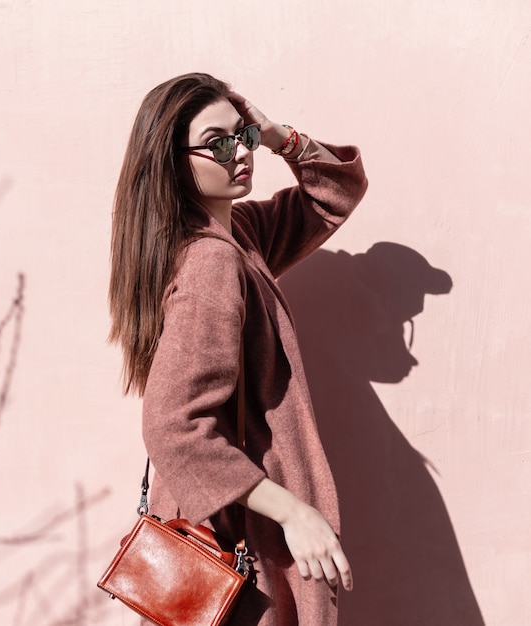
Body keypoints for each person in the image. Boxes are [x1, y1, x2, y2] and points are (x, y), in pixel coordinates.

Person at [108, 72, 368, 625]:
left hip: (228, 527)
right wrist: (293, 512)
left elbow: (335, 194)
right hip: (242, 538)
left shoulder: (238, 234)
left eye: (242, 136)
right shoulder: (212, 262)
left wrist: (278, 136)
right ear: (173, 161)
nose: (241, 153)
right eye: (218, 143)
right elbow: (174, 426)